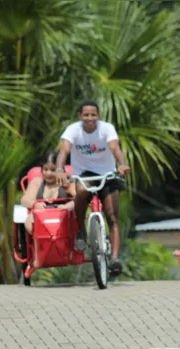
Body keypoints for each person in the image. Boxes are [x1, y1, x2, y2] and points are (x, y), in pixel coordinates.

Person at [55, 100, 131, 275]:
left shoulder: (106, 129)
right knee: (81, 192)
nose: (90, 118)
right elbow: (64, 151)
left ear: (98, 116)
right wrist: (60, 169)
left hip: (107, 174)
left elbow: (115, 148)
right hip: (85, 174)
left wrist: (122, 164)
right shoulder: (73, 130)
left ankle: (115, 259)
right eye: (86, 115)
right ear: (80, 116)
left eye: (93, 115)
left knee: (112, 216)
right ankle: (81, 229)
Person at [19, 152, 76, 234]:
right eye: (45, 169)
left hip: (63, 219)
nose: (48, 173)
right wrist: (36, 205)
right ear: (41, 169)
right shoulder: (37, 182)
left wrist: (67, 206)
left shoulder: (66, 182)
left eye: (53, 170)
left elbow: (78, 199)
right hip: (40, 221)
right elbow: (24, 200)